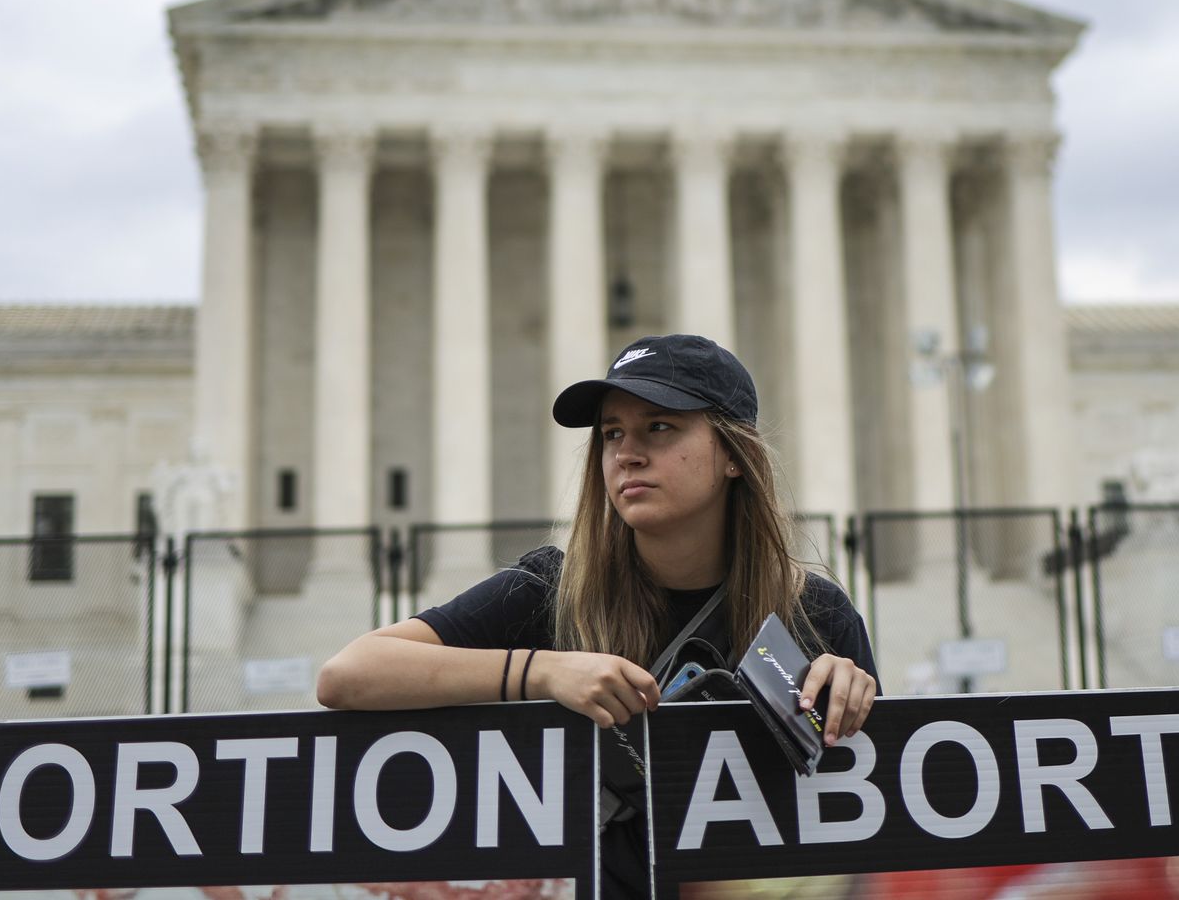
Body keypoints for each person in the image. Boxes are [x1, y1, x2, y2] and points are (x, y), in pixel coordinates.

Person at [317, 333, 879, 895]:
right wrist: (541, 672)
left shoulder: (815, 615)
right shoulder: (551, 590)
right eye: (612, 433)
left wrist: (852, 698)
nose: (626, 453)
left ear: (735, 454)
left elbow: (870, 826)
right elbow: (348, 675)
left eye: (660, 426)